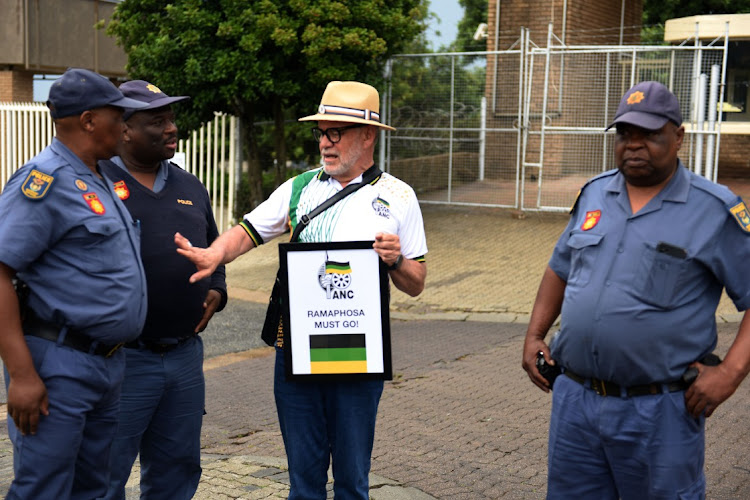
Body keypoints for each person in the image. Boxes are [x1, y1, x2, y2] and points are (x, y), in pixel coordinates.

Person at [175, 80, 428, 499]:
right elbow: (245, 232)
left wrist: (396, 260)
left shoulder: (399, 196)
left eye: (336, 133)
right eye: (321, 133)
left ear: (368, 136)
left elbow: (416, 283)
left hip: (358, 352)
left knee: (351, 481)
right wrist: (214, 255)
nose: (325, 144)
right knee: (303, 482)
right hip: (298, 347)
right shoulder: (299, 188)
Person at [522, 80, 750, 499]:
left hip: (659, 411)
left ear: (678, 137)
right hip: (576, 402)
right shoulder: (594, 194)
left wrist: (731, 373)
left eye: (649, 134)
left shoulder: (715, 210)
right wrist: (535, 333)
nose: (634, 145)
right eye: (626, 134)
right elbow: (560, 267)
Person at [0, 67, 149, 499]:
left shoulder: (99, 178)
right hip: (59, 366)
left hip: (106, 365)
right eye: (117, 115)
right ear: (88, 121)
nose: (124, 125)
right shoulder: (43, 181)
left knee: (96, 489)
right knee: (45, 488)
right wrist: (22, 374)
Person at [98, 80, 228, 500]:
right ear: (124, 129)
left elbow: (213, 248)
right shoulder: (94, 186)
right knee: (105, 475)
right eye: (157, 120)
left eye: (171, 117)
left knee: (178, 470)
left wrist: (219, 290)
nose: (172, 127)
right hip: (122, 361)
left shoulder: (191, 186)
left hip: (185, 358)